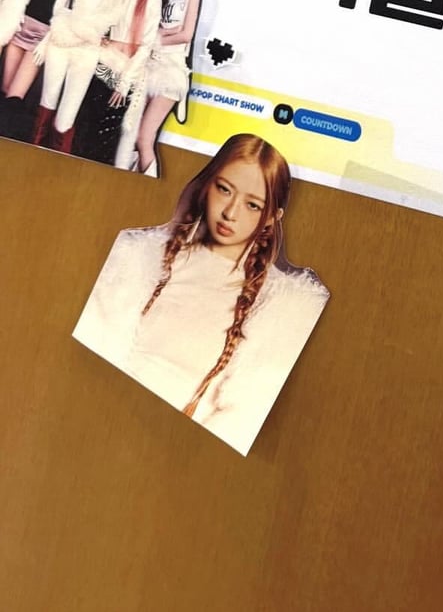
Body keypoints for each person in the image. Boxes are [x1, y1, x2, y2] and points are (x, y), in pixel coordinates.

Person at [72, 134, 329, 455]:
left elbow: (241, 416)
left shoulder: (281, 307)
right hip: (96, 413)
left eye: (252, 205)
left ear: (271, 218)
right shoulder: (138, 256)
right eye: (224, 189)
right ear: (207, 185)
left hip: (175, 451)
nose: (231, 213)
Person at [32, 0, 124, 152]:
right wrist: (53, 36)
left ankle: (58, 163)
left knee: (67, 114)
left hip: (88, 49)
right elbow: (59, 7)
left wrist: (92, 34)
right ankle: (33, 154)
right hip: (63, 41)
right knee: (48, 100)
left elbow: (113, 16)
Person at [72, 0, 161, 166]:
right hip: (101, 63)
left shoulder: (153, 2)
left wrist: (123, 83)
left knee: (106, 138)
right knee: (84, 127)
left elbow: (145, 47)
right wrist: (101, 37)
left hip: (125, 74)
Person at [133, 0, 202, 175]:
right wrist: (165, 33)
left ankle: (147, 187)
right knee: (131, 136)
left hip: (171, 71)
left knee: (144, 138)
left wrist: (157, 38)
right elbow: (147, 28)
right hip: (149, 66)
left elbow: (186, 34)